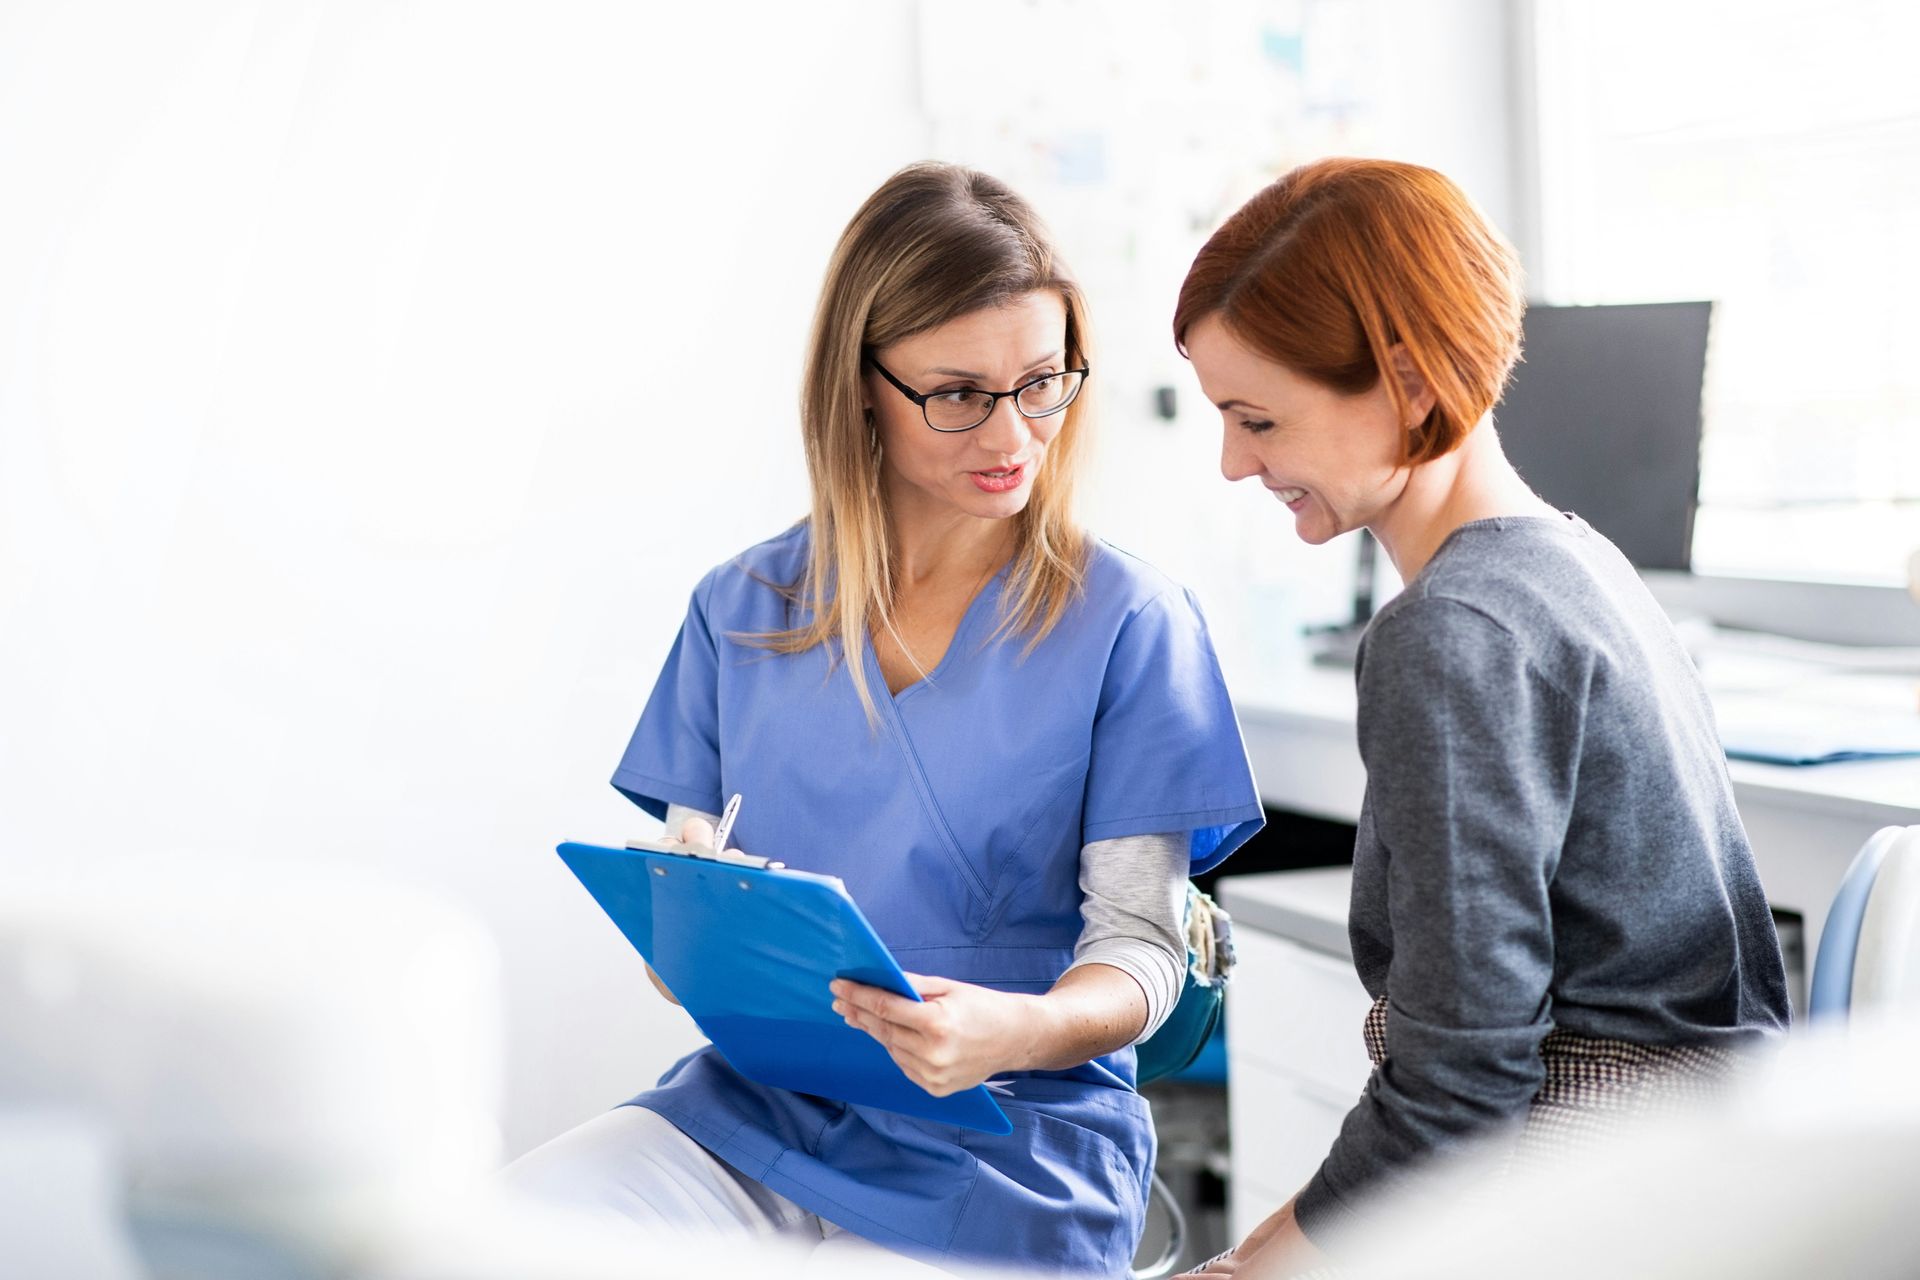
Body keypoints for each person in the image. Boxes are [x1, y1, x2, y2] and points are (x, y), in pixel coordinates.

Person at [505, 162, 1266, 1276]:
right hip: (766, 1113)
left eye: (1044, 383)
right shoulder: (745, 611)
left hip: (1015, 1137)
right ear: (861, 383)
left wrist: (1013, 1027)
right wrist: (698, 944)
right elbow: (686, 896)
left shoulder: (1130, 621)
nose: (1012, 433)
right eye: (957, 393)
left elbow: (1142, 954)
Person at [1170, 158, 1790, 1278]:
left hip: (1605, 1190)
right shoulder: (1575, 560)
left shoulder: (1451, 632)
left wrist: (1270, 1253)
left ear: (1407, 383)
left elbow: (1460, 1083)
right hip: (1706, 1169)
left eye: (1258, 418)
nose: (1233, 461)